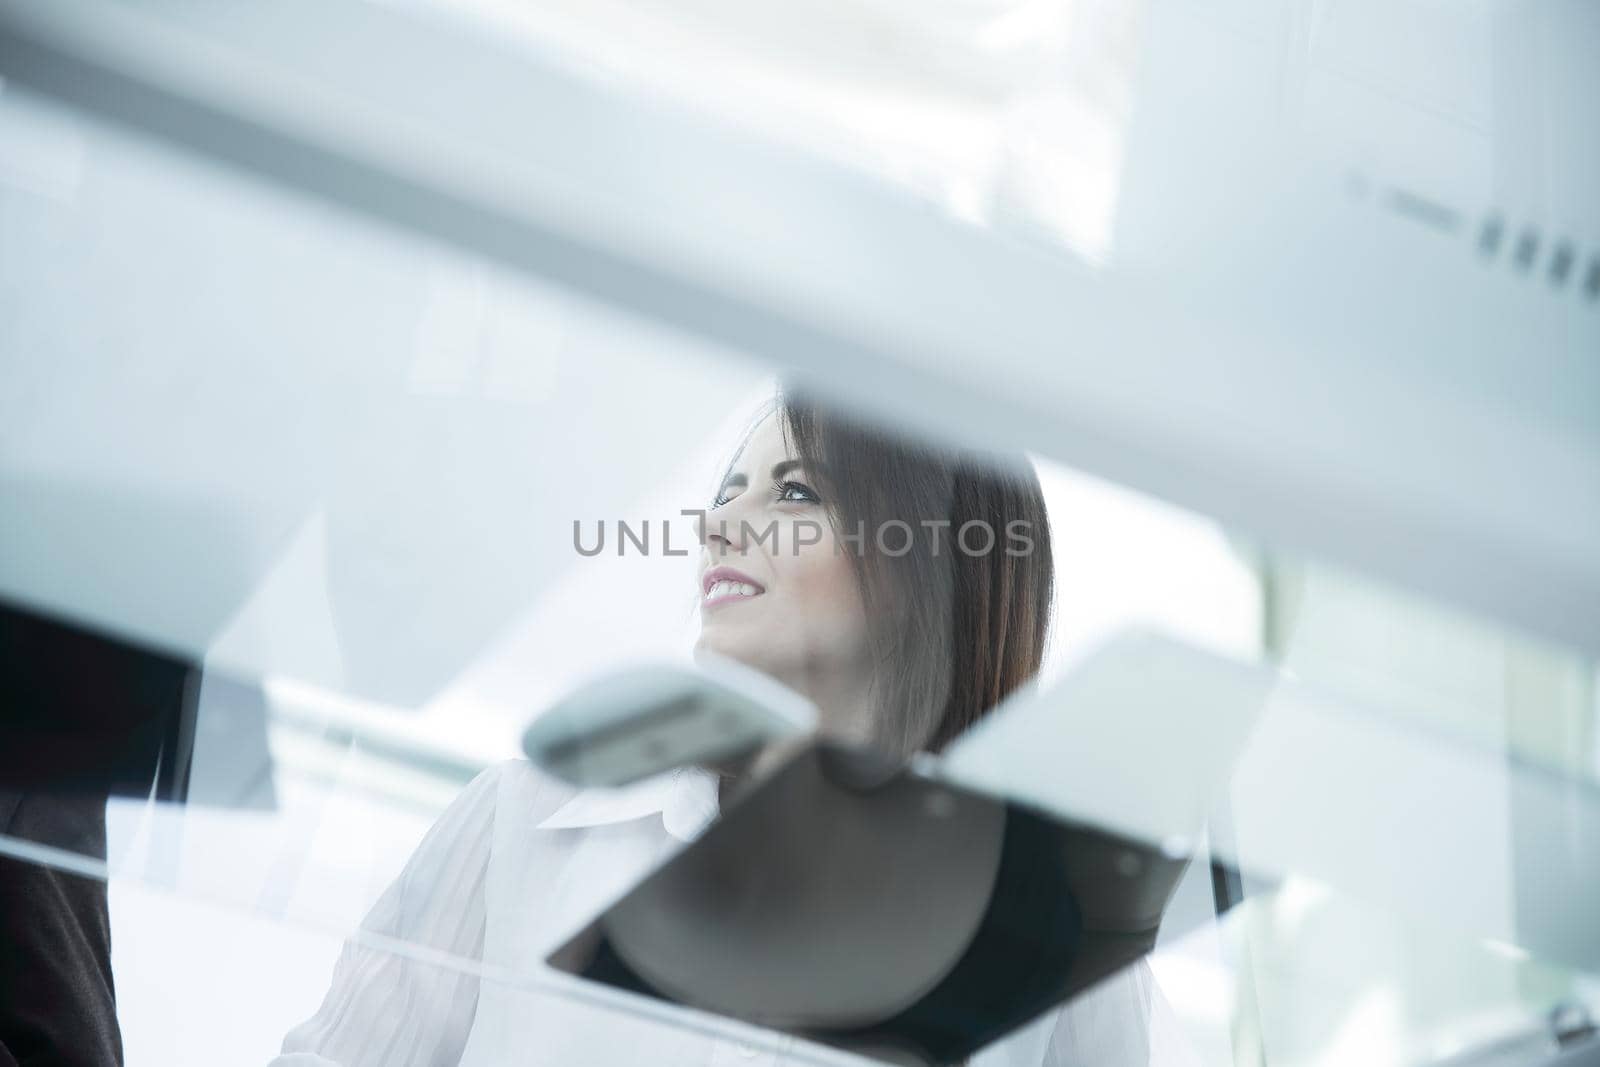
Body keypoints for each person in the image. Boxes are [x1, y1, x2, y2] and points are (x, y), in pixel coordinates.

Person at [273, 387, 1191, 1066]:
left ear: (931, 564)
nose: (720, 525)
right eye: (728, 489)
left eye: (794, 494)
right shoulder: (523, 822)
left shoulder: (1056, 944)